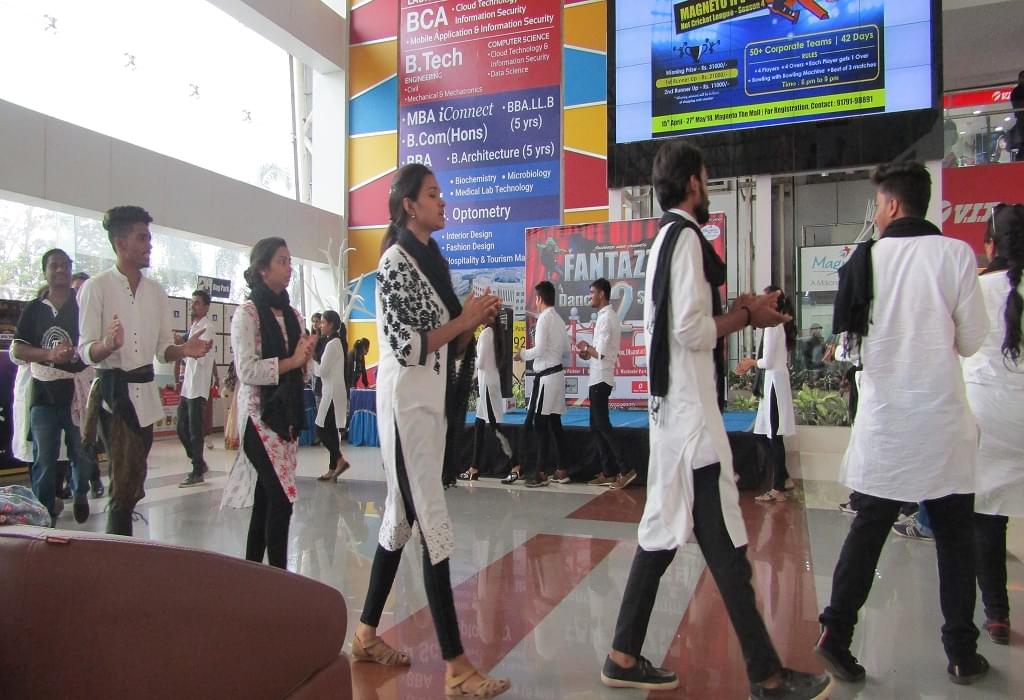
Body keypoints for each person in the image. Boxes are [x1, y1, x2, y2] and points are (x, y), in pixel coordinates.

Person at [601, 140, 831, 699]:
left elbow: (687, 323)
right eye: (706, 177)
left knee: (660, 537)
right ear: (693, 185)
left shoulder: (663, 239)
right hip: (690, 424)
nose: (708, 186)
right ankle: (768, 676)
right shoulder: (685, 240)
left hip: (674, 418)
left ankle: (623, 654)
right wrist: (746, 315)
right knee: (726, 550)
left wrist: (741, 307)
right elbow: (691, 331)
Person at [816, 161, 990, 685]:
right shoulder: (956, 255)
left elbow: (848, 347)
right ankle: (961, 652)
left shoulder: (863, 261)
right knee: (956, 538)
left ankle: (836, 635)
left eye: (877, 204)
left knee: (867, 531)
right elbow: (972, 340)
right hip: (941, 426)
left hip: (886, 425)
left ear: (891, 205)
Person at [352, 163, 510, 698]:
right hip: (407, 410)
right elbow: (409, 347)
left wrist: (474, 321)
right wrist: (464, 320)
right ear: (408, 206)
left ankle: (366, 634)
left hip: (429, 407)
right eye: (433, 194)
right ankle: (457, 666)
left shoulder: (433, 259)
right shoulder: (394, 264)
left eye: (441, 193)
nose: (443, 202)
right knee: (432, 523)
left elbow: (446, 343)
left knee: (399, 522)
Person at [78, 206, 213, 536]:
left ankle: (119, 536)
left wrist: (184, 350)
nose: (149, 244)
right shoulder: (96, 287)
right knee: (124, 482)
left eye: (149, 237)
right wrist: (108, 345)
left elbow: (163, 348)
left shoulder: (156, 292)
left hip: (145, 396)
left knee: (134, 479)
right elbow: (85, 349)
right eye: (142, 237)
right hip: (113, 395)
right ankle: (118, 550)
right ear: (120, 243)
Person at [221, 237, 316, 569]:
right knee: (280, 500)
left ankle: (251, 572)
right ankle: (279, 577)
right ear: (262, 269)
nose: (289, 268)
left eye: (290, 261)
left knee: (266, 499)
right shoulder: (246, 314)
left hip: (286, 417)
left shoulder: (293, 315)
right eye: (282, 261)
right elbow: (247, 370)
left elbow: (302, 375)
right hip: (258, 418)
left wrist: (305, 359)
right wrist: (291, 361)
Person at [961, 203, 1024, 645]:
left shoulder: (977, 290)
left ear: (989, 246)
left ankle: (997, 615)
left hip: (985, 416)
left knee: (988, 517)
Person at [12, 249, 96, 526]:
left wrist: (74, 354)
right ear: (45, 271)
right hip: (43, 396)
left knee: (81, 455)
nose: (60, 270)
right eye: (54, 266)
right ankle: (44, 515)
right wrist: (49, 355)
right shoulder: (34, 309)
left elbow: (93, 346)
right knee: (44, 460)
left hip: (76, 394)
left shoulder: (83, 306)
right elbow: (19, 349)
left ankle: (80, 492)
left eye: (65, 265)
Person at [737, 287, 797, 502]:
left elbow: (768, 362)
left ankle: (778, 487)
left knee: (774, 436)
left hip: (774, 385)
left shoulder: (774, 327)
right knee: (764, 434)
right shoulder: (777, 325)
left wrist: (751, 362)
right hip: (773, 383)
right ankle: (784, 477)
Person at [577, 278, 633, 488]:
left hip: (601, 377)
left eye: (592, 292)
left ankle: (625, 468)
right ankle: (608, 470)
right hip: (598, 376)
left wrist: (585, 347)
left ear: (601, 294)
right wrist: (586, 352)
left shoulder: (606, 318)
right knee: (596, 426)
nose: (589, 296)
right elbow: (598, 352)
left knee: (602, 425)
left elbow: (599, 352)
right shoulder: (605, 317)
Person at [513, 280, 570, 488]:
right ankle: (562, 469)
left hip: (546, 377)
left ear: (539, 299)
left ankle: (539, 471)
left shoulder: (545, 319)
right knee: (555, 424)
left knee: (540, 424)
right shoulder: (559, 320)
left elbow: (538, 350)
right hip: (556, 375)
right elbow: (566, 352)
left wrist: (521, 355)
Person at [460, 313, 518, 481]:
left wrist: (465, 359)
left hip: (487, 386)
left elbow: (481, 363)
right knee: (479, 425)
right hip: (487, 383)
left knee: (495, 427)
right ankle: (474, 467)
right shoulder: (492, 333)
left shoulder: (487, 334)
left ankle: (516, 464)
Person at [177, 289, 217, 487]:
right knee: (181, 427)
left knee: (194, 429)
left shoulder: (207, 328)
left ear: (206, 307)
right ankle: (199, 463)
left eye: (197, 303)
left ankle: (196, 470)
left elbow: (203, 354)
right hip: (188, 385)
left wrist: (191, 350)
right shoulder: (194, 326)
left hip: (198, 385)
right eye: (192, 302)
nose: (193, 306)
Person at [71, 271, 104, 498]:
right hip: (63, 388)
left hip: (89, 383)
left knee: (87, 436)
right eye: (77, 290)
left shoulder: (94, 314)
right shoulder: (66, 315)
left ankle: (91, 479)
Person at [315, 310, 351, 481]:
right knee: (329, 430)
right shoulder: (334, 342)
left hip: (331, 394)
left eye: (322, 322)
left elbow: (322, 370)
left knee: (321, 429)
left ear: (330, 324)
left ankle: (339, 460)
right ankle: (332, 468)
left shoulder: (332, 344)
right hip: (331, 392)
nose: (320, 326)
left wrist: (309, 362)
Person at [222, 362, 240, 450]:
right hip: (230, 393)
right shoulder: (237, 365)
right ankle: (231, 440)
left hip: (229, 392)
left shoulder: (234, 363)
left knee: (230, 417)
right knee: (232, 417)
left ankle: (229, 440)